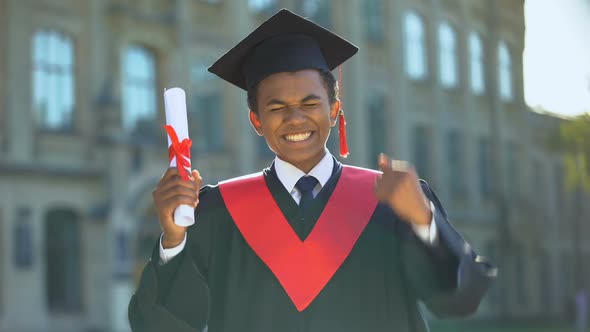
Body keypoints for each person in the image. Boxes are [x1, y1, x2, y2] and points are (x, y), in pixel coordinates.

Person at [128, 9, 496, 332]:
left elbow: (460, 302)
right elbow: (159, 326)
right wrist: (174, 240)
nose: (295, 118)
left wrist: (423, 222)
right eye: (277, 107)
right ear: (256, 120)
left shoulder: (395, 202)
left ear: (335, 110)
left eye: (310, 103)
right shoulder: (218, 210)